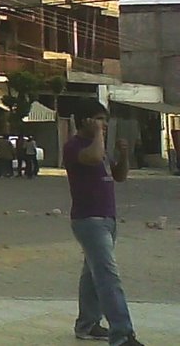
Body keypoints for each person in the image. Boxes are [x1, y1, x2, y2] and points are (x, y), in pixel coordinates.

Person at [63, 99, 143, 345]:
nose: (104, 125)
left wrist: (124, 155)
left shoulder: (99, 148)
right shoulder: (74, 146)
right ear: (85, 121)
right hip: (89, 220)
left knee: (92, 274)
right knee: (108, 276)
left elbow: (119, 176)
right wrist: (97, 134)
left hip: (107, 218)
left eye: (105, 121)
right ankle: (122, 334)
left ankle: (87, 324)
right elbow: (93, 157)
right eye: (100, 120)